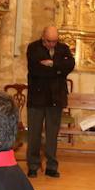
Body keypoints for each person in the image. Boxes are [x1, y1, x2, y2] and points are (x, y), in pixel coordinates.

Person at [25, 25, 75, 178]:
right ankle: (33, 165)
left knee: (52, 134)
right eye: (49, 41)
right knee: (34, 133)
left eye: (54, 41)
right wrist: (58, 70)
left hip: (56, 97)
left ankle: (51, 166)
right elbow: (35, 70)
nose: (52, 44)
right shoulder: (33, 48)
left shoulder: (63, 48)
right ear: (43, 37)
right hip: (37, 98)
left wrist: (52, 65)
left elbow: (70, 65)